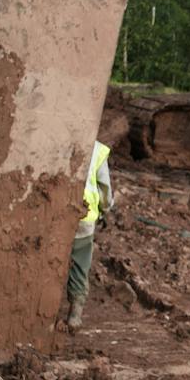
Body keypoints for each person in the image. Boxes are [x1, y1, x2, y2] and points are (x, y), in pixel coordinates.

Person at [65, 140, 114, 332]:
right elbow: (104, 189)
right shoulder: (97, 149)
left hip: (57, 213)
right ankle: (75, 314)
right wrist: (105, 209)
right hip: (84, 216)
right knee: (80, 262)